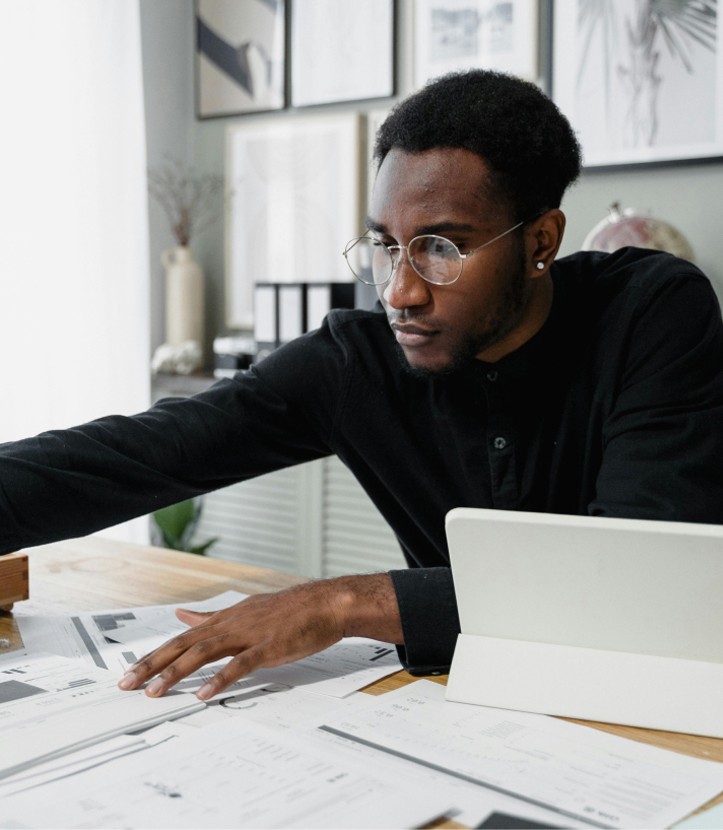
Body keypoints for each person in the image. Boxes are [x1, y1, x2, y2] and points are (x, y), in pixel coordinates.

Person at [1, 70, 722, 701]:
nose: (399, 291)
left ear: (540, 242)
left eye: (440, 247)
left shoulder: (652, 311)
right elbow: (134, 454)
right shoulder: (356, 361)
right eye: (384, 244)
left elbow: (637, 579)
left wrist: (342, 602)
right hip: (458, 703)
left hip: (654, 700)